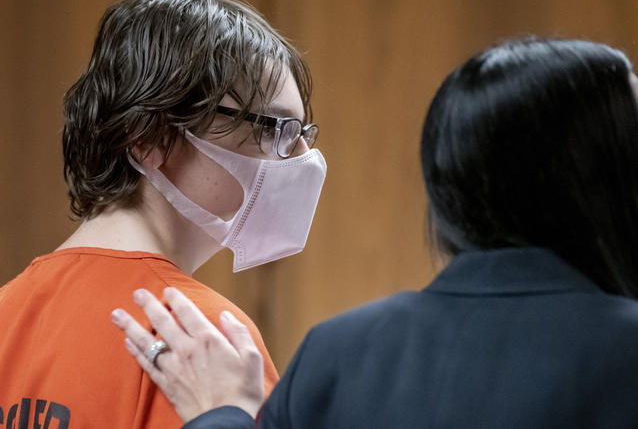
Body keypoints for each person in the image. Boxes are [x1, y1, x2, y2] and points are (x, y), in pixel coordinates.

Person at [115, 38, 638, 428]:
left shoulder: (338, 352)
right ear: (604, 173)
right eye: (274, 130)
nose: (299, 158)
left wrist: (224, 415)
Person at [0, 0, 326, 428]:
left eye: (304, 134)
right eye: (276, 129)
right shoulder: (198, 339)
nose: (302, 158)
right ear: (151, 136)